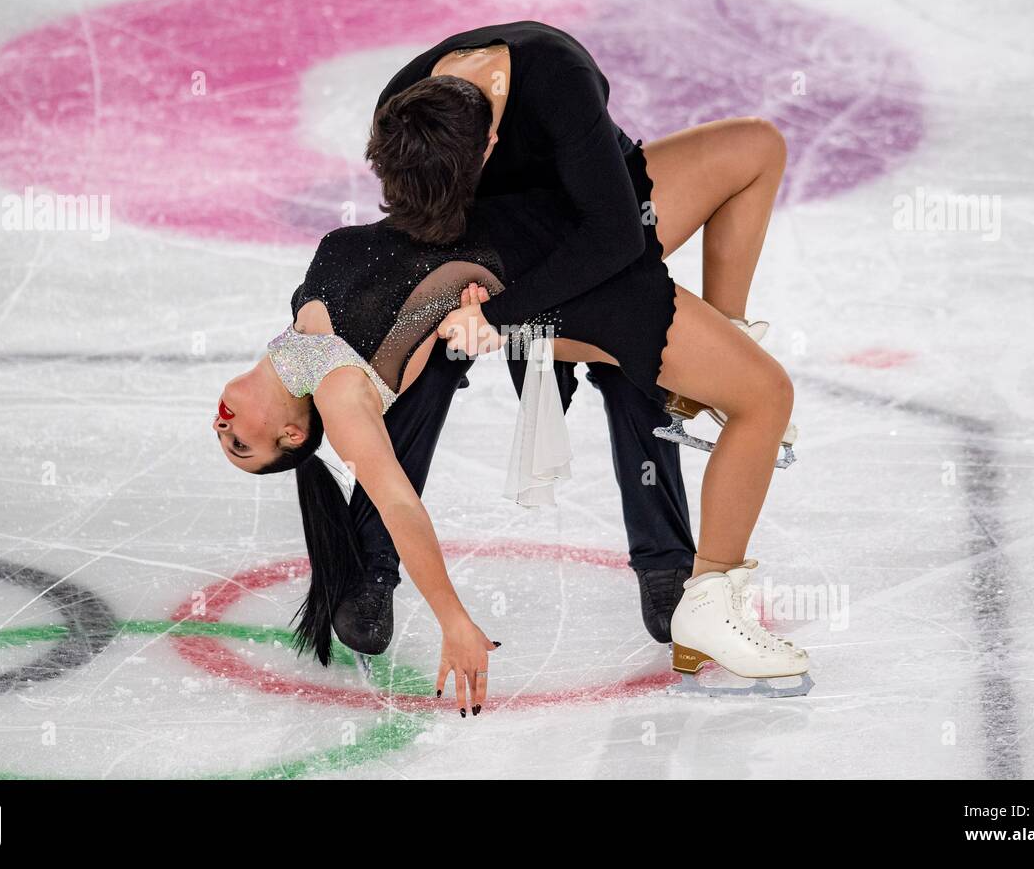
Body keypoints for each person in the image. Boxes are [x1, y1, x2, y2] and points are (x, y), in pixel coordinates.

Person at [214, 107, 807, 713]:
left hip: (557, 222)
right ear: (291, 432)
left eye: (224, 437)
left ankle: (715, 358)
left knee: (755, 145)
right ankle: (708, 600)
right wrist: (454, 619)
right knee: (762, 397)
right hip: (568, 279)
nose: (222, 425)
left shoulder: (306, 308)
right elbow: (398, 503)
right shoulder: (340, 392)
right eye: (239, 444)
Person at [339, 21, 795, 655]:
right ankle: (369, 562)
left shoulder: (557, 76)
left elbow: (613, 236)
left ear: (491, 142)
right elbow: (417, 218)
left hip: (595, 222)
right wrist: (459, 300)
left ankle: (667, 559)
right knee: (429, 350)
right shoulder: (407, 107)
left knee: (637, 332)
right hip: (490, 247)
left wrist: (503, 318)